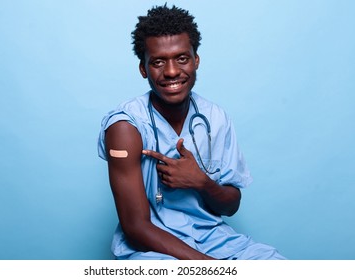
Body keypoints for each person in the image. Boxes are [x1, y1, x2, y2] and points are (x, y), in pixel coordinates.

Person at [98, 4, 285, 260]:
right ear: (143, 69)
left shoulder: (216, 118)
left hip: (216, 241)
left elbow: (231, 206)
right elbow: (136, 228)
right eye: (158, 62)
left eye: (182, 58)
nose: (172, 71)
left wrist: (201, 182)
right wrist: (211, 269)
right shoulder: (125, 128)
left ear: (196, 60)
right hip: (153, 250)